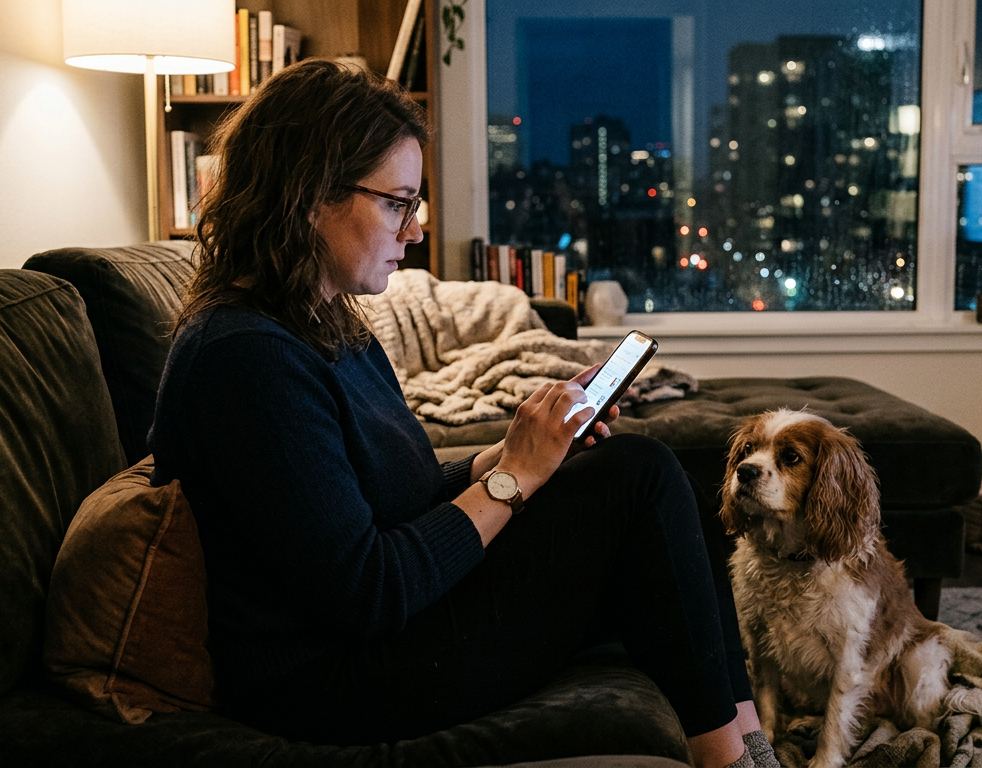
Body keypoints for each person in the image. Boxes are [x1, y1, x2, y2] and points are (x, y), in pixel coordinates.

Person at [148, 59, 778, 768]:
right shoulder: (243, 359)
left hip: (388, 629)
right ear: (309, 194)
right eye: (397, 203)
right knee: (638, 476)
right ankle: (734, 759)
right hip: (334, 679)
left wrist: (512, 453)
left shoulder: (329, 326)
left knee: (639, 473)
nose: (415, 231)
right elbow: (369, 590)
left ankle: (748, 744)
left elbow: (392, 494)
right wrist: (514, 479)